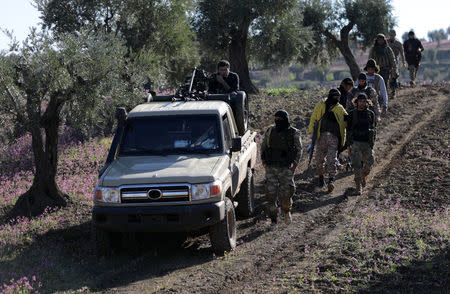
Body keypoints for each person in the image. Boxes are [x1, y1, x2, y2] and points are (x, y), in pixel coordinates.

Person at [261, 110, 302, 225]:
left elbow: (299, 149)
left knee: (287, 193)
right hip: (271, 167)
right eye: (276, 119)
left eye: (280, 119)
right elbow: (263, 146)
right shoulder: (269, 131)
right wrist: (263, 161)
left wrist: (295, 164)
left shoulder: (294, 132)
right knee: (270, 194)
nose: (277, 121)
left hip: (286, 168)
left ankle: (286, 212)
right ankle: (273, 218)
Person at [308, 89, 348, 192]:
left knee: (332, 159)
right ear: (330, 96)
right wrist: (312, 131)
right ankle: (321, 178)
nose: (337, 98)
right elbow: (314, 118)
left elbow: (346, 120)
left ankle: (331, 179)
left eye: (338, 97)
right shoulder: (321, 105)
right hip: (321, 137)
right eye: (335, 96)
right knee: (319, 160)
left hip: (333, 138)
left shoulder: (339, 108)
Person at [347, 93, 377, 195]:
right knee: (357, 165)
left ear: (367, 102)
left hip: (366, 142)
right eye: (360, 101)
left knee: (370, 161)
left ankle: (364, 175)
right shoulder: (351, 114)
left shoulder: (370, 114)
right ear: (356, 102)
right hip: (355, 142)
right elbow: (348, 130)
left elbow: (373, 129)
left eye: (364, 101)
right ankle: (358, 186)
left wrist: (372, 142)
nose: (362, 103)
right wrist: (348, 146)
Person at [387, 29, 406, 99]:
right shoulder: (385, 42)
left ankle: (393, 91)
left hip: (394, 62)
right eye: (390, 35)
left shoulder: (398, 44)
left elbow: (402, 54)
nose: (391, 36)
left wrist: (404, 63)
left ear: (395, 35)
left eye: (393, 35)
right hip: (386, 62)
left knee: (394, 75)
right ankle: (387, 90)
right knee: (387, 76)